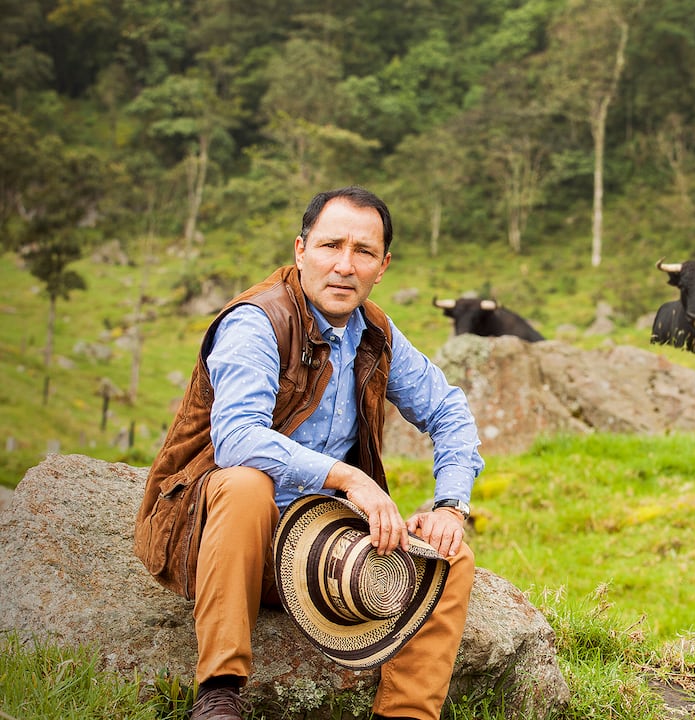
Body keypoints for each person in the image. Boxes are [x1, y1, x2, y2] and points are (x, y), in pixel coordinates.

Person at [133, 186, 484, 720]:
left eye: (363, 252)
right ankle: (219, 693)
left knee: (450, 553)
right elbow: (238, 439)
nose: (345, 266)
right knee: (245, 482)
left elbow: (450, 412)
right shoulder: (257, 320)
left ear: (382, 265)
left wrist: (449, 506)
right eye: (330, 246)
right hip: (220, 533)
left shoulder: (375, 331)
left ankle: (406, 714)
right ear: (301, 250)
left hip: (320, 550)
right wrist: (350, 478)